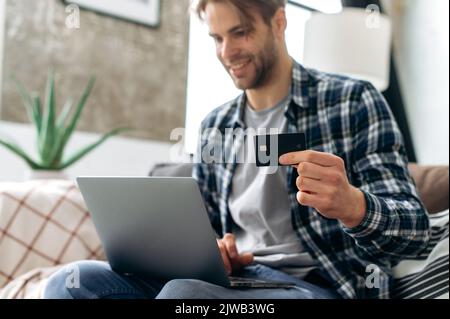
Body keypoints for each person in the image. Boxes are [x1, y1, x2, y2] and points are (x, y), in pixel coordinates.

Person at [44, 0, 430, 299]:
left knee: (184, 295)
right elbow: (204, 227)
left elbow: (413, 230)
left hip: (314, 285)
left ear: (278, 23)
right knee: (71, 282)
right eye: (217, 38)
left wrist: (353, 205)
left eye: (240, 32)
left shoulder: (352, 101)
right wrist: (213, 248)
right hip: (231, 281)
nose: (227, 51)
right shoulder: (216, 126)